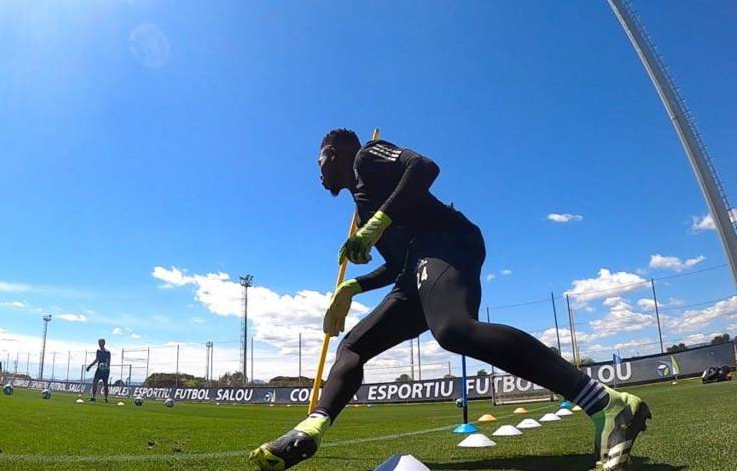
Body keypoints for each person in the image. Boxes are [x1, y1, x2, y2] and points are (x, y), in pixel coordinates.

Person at [250, 129, 650, 471]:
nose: (317, 173)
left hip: (447, 241)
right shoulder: (361, 199)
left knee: (453, 329)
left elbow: (424, 167)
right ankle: (309, 431)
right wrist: (352, 287)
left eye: (319, 161)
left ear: (334, 152)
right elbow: (397, 267)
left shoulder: (366, 157)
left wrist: (377, 223)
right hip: (416, 269)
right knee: (353, 345)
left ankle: (607, 403)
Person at [86, 338, 112, 403]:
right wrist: (90, 366)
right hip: (99, 369)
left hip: (105, 370)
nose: (99, 344)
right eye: (99, 343)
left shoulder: (107, 352)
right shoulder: (98, 351)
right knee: (95, 382)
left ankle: (106, 398)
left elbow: (108, 362)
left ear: (104, 343)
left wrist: (106, 368)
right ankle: (93, 397)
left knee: (105, 384)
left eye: (100, 343)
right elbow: (96, 360)